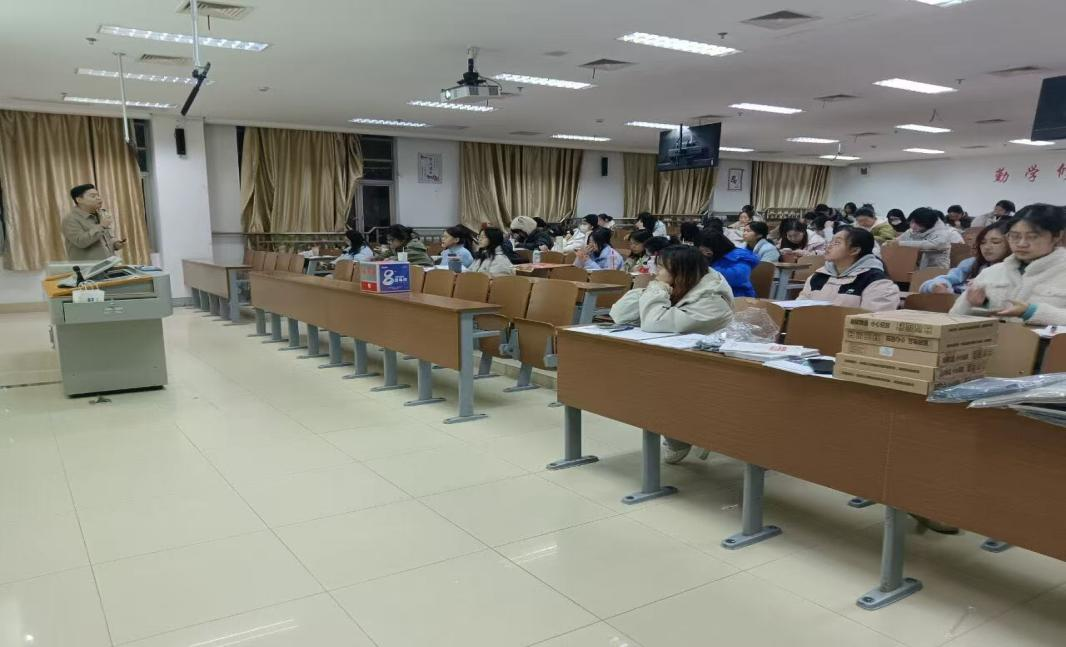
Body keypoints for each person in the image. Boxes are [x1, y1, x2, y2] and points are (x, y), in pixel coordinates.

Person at [610, 244, 736, 464]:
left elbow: (653, 323)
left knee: (657, 383)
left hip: (713, 368)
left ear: (681, 272)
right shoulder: (676, 286)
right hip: (681, 362)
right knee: (644, 377)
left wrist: (657, 289)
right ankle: (679, 433)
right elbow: (619, 314)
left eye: (661, 268)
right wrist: (654, 288)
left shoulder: (713, 300)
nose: (655, 273)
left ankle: (683, 435)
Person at [951, 204, 1066, 325]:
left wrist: (1031, 312)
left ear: (1056, 236)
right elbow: (954, 317)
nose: (1021, 243)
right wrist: (976, 305)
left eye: (1032, 237)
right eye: (1015, 236)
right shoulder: (992, 273)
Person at [798, 227, 900, 311]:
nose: (828, 246)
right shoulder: (817, 276)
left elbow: (872, 322)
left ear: (854, 250)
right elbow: (799, 309)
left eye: (837, 243)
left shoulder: (877, 282)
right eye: (830, 241)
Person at [920, 219, 1013, 294]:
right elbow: (936, 282)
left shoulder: (1013, 270)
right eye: (983, 242)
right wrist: (938, 286)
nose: (987, 247)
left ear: (1012, 243)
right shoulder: (972, 264)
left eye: (995, 242)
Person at [61, 183, 125, 261]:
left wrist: (115, 243)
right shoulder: (70, 219)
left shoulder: (101, 214)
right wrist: (101, 226)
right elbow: (81, 242)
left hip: (109, 264)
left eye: (98, 195)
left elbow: (107, 238)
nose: (98, 198)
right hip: (88, 267)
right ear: (79, 200)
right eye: (93, 196)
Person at [698, 229, 759, 298]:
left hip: (738, 296)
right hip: (717, 294)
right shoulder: (715, 255)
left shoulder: (739, 256)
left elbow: (739, 277)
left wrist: (705, 269)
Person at [890, 207, 955, 269]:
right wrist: (891, 243)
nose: (913, 226)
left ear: (927, 224)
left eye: (918, 224)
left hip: (937, 269)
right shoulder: (913, 230)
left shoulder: (942, 232)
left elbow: (932, 244)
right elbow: (897, 240)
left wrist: (901, 243)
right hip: (918, 268)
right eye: (912, 222)